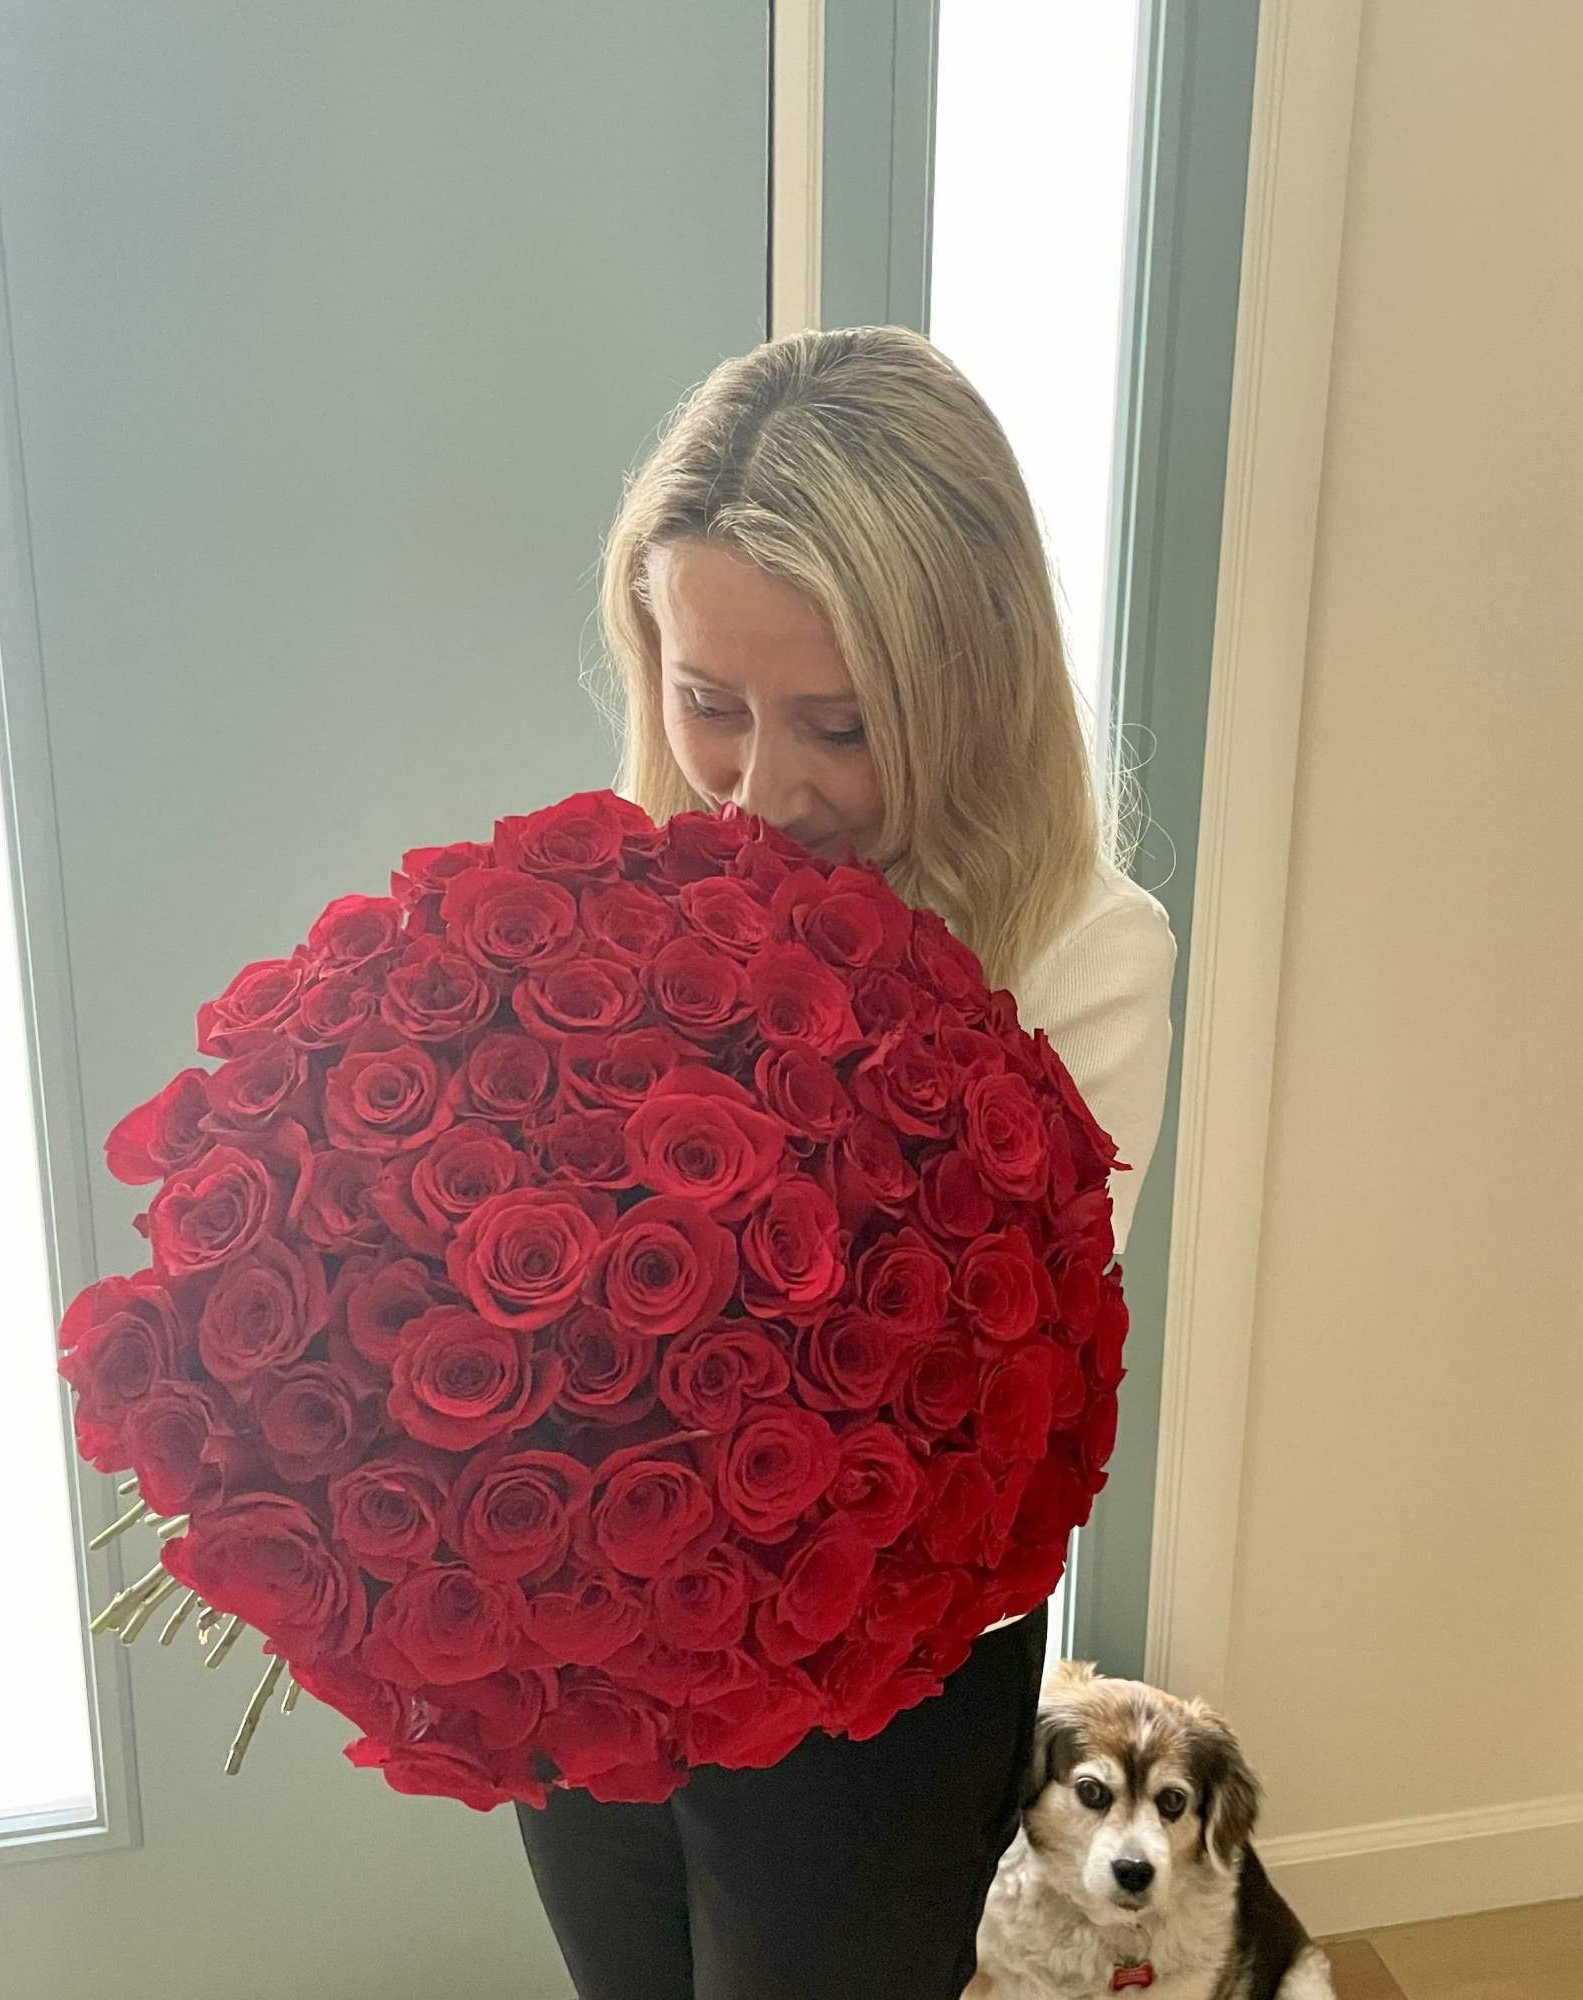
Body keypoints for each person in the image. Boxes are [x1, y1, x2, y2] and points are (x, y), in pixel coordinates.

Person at [516, 324, 1177, 2000]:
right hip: (602, 1616)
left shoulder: (1081, 957)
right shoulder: (617, 905)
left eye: (843, 725)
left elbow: (967, 1398)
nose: (765, 794)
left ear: (973, 692)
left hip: (874, 1670)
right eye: (710, 704)